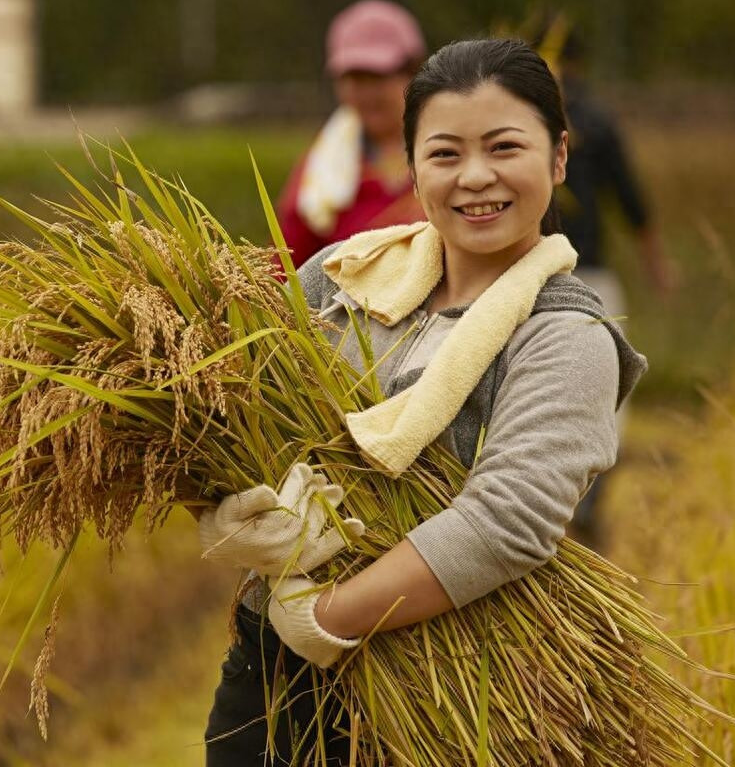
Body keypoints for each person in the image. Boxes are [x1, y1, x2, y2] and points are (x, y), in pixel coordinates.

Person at [198, 38, 648, 765]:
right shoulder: (342, 277)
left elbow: (505, 522)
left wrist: (326, 617)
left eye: (504, 147)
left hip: (442, 684)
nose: (475, 177)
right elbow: (233, 403)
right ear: (411, 167)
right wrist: (228, 511)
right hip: (270, 671)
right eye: (444, 154)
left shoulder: (567, 337)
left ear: (559, 157)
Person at [556, 31, 678, 548]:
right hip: (589, 274)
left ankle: (567, 508)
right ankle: (584, 503)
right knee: (607, 396)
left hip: (531, 274)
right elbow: (631, 199)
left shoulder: (518, 114)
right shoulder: (595, 119)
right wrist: (657, 265)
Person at [276, 0, 429, 268]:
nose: (368, 93)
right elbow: (284, 268)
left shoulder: (455, 153)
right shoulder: (319, 173)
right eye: (356, 79)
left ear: (414, 73)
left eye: (379, 77)